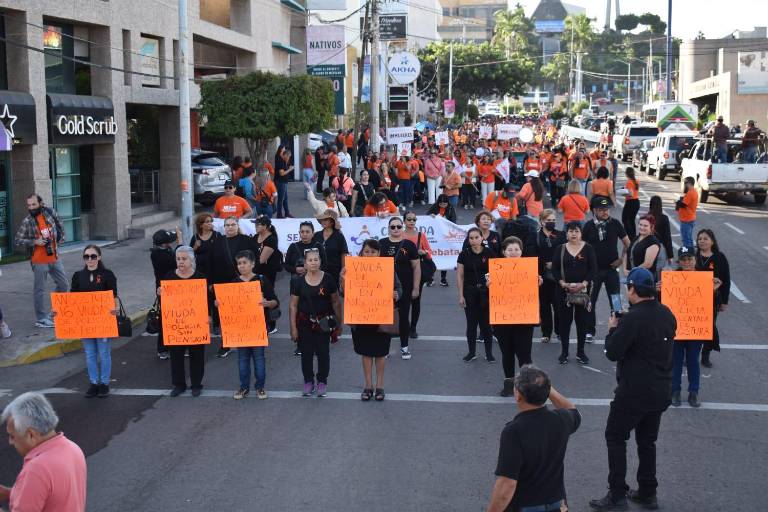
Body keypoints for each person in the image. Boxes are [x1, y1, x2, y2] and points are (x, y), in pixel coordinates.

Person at [589, 267, 676, 512]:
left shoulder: (633, 319)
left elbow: (613, 352)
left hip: (634, 391)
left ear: (633, 290)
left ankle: (617, 494)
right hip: (661, 389)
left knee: (615, 436)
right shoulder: (666, 313)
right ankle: (648, 491)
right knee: (647, 441)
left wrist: (613, 328)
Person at [488, 366, 580, 512]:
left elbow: (507, 484)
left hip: (526, 505)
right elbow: (573, 411)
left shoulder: (514, 431)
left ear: (518, 395)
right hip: (557, 504)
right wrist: (546, 388)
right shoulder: (561, 419)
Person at [0, 392, 86, 511]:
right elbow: (52, 496)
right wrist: (10, 493)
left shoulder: (37, 469)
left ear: (31, 434)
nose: (10, 442)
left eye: (12, 436)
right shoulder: (72, 448)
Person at [341, 239, 401, 401]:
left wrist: (396, 294)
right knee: (366, 353)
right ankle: (368, 385)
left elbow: (398, 288)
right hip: (361, 318)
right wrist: (343, 279)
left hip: (381, 317)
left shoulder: (387, 269)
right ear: (362, 252)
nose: (369, 254)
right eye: (366, 251)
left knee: (381, 353)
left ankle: (380, 385)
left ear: (379, 253)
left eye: (373, 252)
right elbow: (343, 293)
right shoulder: (352, 268)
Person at [492, 237, 543, 395]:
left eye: (516, 249)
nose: (513, 252)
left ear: (521, 251)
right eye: (510, 250)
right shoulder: (495, 270)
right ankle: (509, 383)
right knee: (506, 353)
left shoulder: (530, 269)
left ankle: (526, 386)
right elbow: (490, 294)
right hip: (503, 318)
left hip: (524, 318)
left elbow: (533, 294)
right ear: (504, 252)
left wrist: (538, 283)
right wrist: (489, 284)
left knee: (524, 354)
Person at [289, 248, 342, 397]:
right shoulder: (298, 281)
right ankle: (308, 381)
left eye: (316, 260)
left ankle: (322, 381)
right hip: (304, 323)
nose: (313, 262)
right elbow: (293, 305)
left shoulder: (329, 279)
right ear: (305, 264)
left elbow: (336, 302)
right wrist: (293, 327)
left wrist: (339, 323)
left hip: (324, 323)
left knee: (323, 353)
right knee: (306, 354)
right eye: (310, 260)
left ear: (320, 261)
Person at [68, 245, 119, 398]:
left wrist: (115, 310)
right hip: (85, 322)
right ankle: (93, 383)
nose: (90, 259)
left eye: (93, 256)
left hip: (103, 320)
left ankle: (104, 383)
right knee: (90, 353)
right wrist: (58, 312)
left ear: (99, 257)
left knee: (103, 353)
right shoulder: (78, 276)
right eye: (86, 256)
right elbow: (71, 299)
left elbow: (114, 296)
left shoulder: (107, 274)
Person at [227, 250, 279, 400]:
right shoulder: (234, 282)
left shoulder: (262, 280)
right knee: (242, 359)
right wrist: (219, 303)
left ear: (252, 264)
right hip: (241, 328)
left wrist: (267, 303)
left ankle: (260, 387)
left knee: (259, 359)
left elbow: (275, 301)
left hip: (258, 326)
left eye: (244, 263)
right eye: (239, 263)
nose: (241, 266)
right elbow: (227, 305)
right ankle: (244, 387)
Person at [159, 246, 208, 397]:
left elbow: (206, 300)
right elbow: (165, 301)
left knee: (197, 355)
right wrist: (160, 293)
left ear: (192, 260)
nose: (180, 262)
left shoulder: (200, 277)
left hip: (195, 323)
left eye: (184, 259)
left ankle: (196, 384)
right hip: (176, 324)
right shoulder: (169, 277)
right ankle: (179, 384)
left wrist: (208, 316)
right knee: (176, 355)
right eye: (178, 259)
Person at [14, 194, 69, 328]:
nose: (31, 207)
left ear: (41, 203)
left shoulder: (50, 212)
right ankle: (41, 318)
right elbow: (17, 241)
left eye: (33, 204)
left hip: (54, 257)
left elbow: (59, 223)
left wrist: (62, 235)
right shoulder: (27, 221)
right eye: (29, 205)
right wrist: (35, 241)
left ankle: (54, 313)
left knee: (64, 285)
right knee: (39, 290)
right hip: (39, 260)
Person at [582, 195, 629, 342]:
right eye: (602, 210)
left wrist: (621, 260)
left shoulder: (615, 224)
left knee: (615, 301)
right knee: (590, 301)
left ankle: (616, 329)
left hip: (611, 270)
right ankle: (589, 331)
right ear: (594, 210)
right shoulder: (589, 226)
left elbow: (628, 243)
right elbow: (582, 248)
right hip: (594, 271)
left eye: (607, 209)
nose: (605, 212)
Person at [660, 246, 703, 408]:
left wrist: (714, 291)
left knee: (693, 361)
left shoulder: (703, 278)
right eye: (684, 259)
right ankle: (675, 391)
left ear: (695, 260)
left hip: (695, 327)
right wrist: (660, 289)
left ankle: (694, 392)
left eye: (689, 259)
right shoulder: (672, 278)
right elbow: (664, 302)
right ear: (680, 261)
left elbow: (710, 303)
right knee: (676, 361)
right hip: (676, 328)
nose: (686, 262)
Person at [210, 217, 257, 357]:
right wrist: (211, 283)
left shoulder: (247, 240)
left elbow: (256, 260)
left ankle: (249, 340)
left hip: (244, 282)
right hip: (223, 284)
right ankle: (226, 343)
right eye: (227, 225)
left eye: (233, 224)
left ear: (238, 225)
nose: (230, 227)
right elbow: (211, 263)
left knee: (246, 313)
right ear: (224, 227)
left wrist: (252, 279)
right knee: (226, 315)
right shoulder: (218, 242)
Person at [552, 221, 597, 365]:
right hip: (563, 291)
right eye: (571, 231)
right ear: (566, 233)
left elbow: (593, 269)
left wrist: (583, 284)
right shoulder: (560, 248)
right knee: (565, 323)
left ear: (581, 233)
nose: (573, 234)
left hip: (582, 292)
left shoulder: (588, 248)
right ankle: (564, 352)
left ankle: (580, 352)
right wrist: (562, 283)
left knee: (582, 322)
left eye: (576, 231)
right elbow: (555, 269)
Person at [378, 216, 421, 360]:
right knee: (385, 318)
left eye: (398, 226)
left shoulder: (409, 245)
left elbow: (416, 267)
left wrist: (416, 288)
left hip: (405, 287)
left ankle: (404, 347)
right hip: (384, 288)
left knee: (403, 317)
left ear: (402, 227)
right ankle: (384, 348)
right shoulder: (381, 244)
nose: (395, 229)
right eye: (393, 227)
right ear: (388, 228)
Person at [457, 227, 495, 363]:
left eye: (476, 237)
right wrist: (461, 295)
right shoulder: (463, 254)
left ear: (482, 238)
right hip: (469, 292)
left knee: (486, 325)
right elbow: (460, 276)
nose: (473, 240)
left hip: (486, 292)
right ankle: (471, 352)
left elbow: (496, 273)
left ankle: (489, 353)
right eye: (471, 238)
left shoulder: (489, 253)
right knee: (471, 324)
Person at [695, 229, 730, 369]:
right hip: (693, 300)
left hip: (711, 300)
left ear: (712, 241)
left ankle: (706, 355)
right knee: (693, 329)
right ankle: (692, 355)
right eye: (699, 239)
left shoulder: (720, 258)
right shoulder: (693, 256)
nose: (702, 241)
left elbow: (726, 281)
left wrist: (724, 302)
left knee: (708, 328)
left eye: (705, 238)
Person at [534, 209, 565, 345]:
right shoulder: (535, 236)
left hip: (558, 276)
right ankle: (546, 333)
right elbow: (531, 252)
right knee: (544, 306)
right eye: (549, 220)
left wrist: (555, 263)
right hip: (541, 277)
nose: (551, 223)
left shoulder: (561, 235)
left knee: (559, 305)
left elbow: (566, 251)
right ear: (542, 221)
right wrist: (544, 263)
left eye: (553, 220)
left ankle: (559, 331)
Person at [150, 228, 181, 359]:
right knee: (167, 319)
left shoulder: (162, 251)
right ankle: (162, 348)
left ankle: (174, 344)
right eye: (169, 241)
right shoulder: (161, 256)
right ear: (164, 244)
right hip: (166, 290)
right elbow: (179, 261)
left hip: (168, 288)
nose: (171, 243)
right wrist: (179, 243)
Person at [402, 211, 432, 338]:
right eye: (409, 219)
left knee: (415, 300)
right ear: (404, 221)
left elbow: (429, 253)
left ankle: (413, 328)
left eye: (414, 219)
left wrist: (423, 252)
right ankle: (404, 325)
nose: (412, 222)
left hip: (417, 272)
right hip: (401, 272)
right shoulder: (399, 234)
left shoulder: (421, 235)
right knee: (402, 302)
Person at [312, 209, 349, 283]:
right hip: (318, 269)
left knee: (333, 292)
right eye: (322, 219)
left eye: (326, 219)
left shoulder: (339, 236)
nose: (323, 221)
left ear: (332, 222)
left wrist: (343, 268)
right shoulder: (316, 235)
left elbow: (344, 253)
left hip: (334, 270)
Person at [428, 194, 456, 286]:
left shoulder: (451, 208)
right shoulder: (434, 207)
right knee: (432, 257)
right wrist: (430, 216)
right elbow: (426, 218)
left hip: (445, 237)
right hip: (435, 237)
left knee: (444, 257)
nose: (443, 206)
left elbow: (454, 221)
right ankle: (430, 278)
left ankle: (443, 278)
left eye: (445, 204)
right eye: (441, 204)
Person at [627, 214, 661, 280]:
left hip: (645, 278)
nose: (642, 227)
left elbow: (648, 264)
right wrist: (625, 269)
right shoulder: (637, 237)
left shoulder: (653, 242)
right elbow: (628, 251)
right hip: (633, 275)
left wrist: (633, 272)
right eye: (640, 224)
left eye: (645, 226)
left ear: (652, 227)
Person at [190, 212, 222, 280]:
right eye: (207, 222)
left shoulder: (217, 235)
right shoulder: (195, 237)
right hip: (201, 269)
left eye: (211, 221)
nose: (210, 223)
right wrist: (195, 247)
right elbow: (190, 254)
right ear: (201, 225)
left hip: (215, 268)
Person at [648, 196, 673, 267]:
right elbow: (667, 237)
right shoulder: (664, 218)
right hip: (660, 247)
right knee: (660, 271)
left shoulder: (646, 217)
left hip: (647, 246)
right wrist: (670, 255)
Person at [676, 177, 698, 248]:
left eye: (685, 183)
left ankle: (688, 255)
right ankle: (692, 253)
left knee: (686, 239)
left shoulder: (690, 193)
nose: (684, 184)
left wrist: (678, 202)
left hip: (687, 219)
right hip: (690, 218)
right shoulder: (693, 191)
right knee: (689, 238)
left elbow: (683, 204)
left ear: (689, 183)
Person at [620, 167, 640, 240]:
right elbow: (634, 192)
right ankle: (633, 236)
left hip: (630, 202)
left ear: (626, 174)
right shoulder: (636, 181)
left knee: (625, 219)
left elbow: (630, 194)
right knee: (631, 220)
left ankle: (629, 236)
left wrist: (623, 193)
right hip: (636, 202)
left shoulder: (629, 182)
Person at [274, 149, 294, 218]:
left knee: (285, 198)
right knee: (281, 199)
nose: (289, 158)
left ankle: (287, 213)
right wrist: (290, 169)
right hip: (280, 182)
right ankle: (279, 214)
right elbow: (282, 173)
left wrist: (288, 167)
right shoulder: (281, 162)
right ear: (285, 155)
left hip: (284, 182)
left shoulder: (284, 162)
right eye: (288, 156)